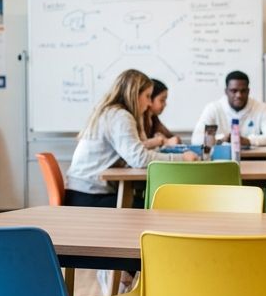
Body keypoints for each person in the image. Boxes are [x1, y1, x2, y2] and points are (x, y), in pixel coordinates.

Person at [65, 68, 197, 208]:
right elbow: (139, 159)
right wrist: (182, 158)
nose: (148, 103)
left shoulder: (113, 113)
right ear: (134, 95)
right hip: (88, 197)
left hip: (83, 193)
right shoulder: (120, 116)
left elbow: (134, 154)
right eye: (147, 96)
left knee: (155, 203)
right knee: (161, 206)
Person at [191, 70, 266, 146]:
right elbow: (196, 139)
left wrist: (247, 141)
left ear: (248, 91)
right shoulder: (213, 109)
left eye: (243, 91)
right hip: (221, 160)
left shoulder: (262, 108)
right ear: (226, 91)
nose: (238, 95)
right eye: (234, 91)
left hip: (254, 159)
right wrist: (222, 139)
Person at [142, 79, 179, 148]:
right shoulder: (140, 120)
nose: (165, 104)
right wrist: (161, 141)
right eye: (162, 100)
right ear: (150, 98)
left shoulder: (154, 119)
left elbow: (173, 138)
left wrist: (171, 140)